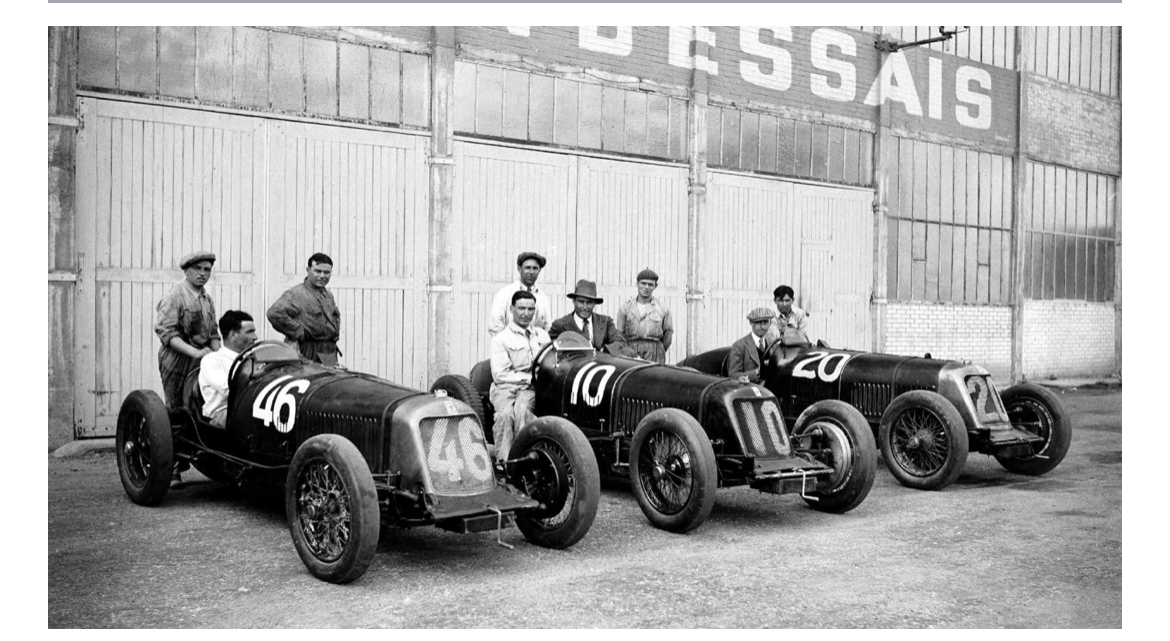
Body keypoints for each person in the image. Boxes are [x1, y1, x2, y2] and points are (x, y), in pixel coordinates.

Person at [489, 290, 550, 466]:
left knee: (523, 410)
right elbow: (499, 374)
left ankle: (523, 461)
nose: (526, 313)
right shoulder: (500, 339)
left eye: (531, 309)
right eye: (521, 308)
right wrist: (528, 378)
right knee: (505, 416)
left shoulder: (542, 335)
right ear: (511, 309)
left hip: (530, 389)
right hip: (505, 387)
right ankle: (505, 464)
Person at [154, 251, 222, 410]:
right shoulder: (174, 296)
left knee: (198, 405)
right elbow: (167, 333)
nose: (202, 273)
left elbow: (213, 333)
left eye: (207, 269)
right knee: (176, 408)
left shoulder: (207, 300)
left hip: (200, 359)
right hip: (177, 361)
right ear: (186, 271)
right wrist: (195, 352)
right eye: (197, 268)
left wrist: (221, 356)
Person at [267, 253, 342, 363]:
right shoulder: (296, 294)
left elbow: (335, 315)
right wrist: (298, 332)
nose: (322, 276)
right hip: (306, 351)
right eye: (318, 271)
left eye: (327, 272)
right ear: (308, 270)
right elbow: (274, 313)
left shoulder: (328, 295)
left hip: (328, 351)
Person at [198, 310, 258, 428]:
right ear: (233, 335)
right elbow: (231, 389)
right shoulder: (211, 360)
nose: (255, 337)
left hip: (250, 409)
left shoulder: (254, 359)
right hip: (222, 414)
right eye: (250, 332)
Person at [549, 280, 630, 355]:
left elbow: (620, 341)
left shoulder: (605, 322)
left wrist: (605, 350)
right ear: (574, 301)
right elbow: (549, 348)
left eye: (589, 303)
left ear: (594, 304)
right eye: (581, 302)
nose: (585, 307)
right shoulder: (560, 325)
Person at [614, 268, 674, 363]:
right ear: (637, 284)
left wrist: (659, 350)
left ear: (655, 286)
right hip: (631, 352)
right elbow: (620, 335)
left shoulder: (663, 308)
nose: (646, 287)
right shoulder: (625, 307)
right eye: (643, 283)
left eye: (650, 284)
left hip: (654, 352)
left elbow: (668, 335)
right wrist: (626, 351)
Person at [488, 251, 552, 337]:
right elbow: (495, 326)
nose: (531, 272)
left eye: (535, 268)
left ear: (539, 270)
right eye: (527, 268)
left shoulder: (542, 298)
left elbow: (547, 328)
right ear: (519, 269)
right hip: (509, 344)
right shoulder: (505, 294)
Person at [729, 307, 776, 384]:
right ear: (751, 323)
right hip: (751, 389)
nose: (762, 327)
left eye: (765, 322)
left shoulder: (773, 345)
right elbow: (733, 375)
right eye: (758, 322)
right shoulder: (739, 346)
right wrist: (757, 372)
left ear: (770, 323)